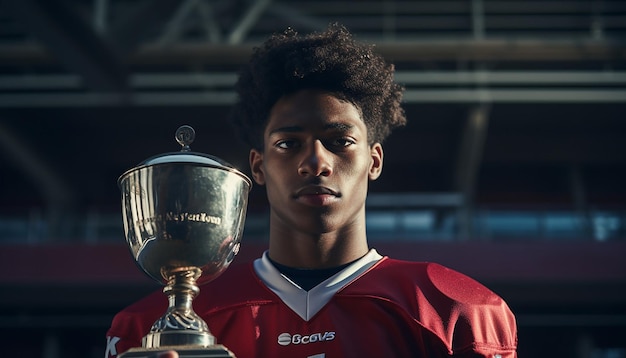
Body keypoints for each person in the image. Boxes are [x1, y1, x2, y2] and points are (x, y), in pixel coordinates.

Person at [106, 23, 517, 357]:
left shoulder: (455, 310)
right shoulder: (151, 327)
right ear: (258, 166)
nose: (316, 162)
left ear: (374, 160)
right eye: (288, 143)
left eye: (339, 141)